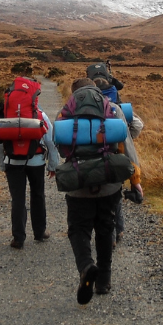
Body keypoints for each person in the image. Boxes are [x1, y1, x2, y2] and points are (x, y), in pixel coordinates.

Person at [57, 78, 143, 304]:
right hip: (109, 181)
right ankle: (104, 280)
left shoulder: (65, 111)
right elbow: (126, 146)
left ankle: (86, 266)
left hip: (78, 183)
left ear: (74, 94)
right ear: (97, 92)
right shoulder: (113, 109)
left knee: (78, 229)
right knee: (106, 227)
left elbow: (61, 147)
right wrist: (135, 181)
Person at [0, 102, 59, 250]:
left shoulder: (5, 115)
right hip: (36, 162)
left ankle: (18, 237)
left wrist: (2, 164)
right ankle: (40, 231)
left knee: (17, 198)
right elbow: (50, 141)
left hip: (12, 161)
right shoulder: (40, 114)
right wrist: (53, 165)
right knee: (38, 194)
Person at [93, 77, 144, 246]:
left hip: (94, 157)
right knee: (115, 196)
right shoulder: (116, 108)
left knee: (100, 198)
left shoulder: (86, 106)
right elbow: (138, 125)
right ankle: (118, 231)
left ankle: (109, 233)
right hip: (117, 157)